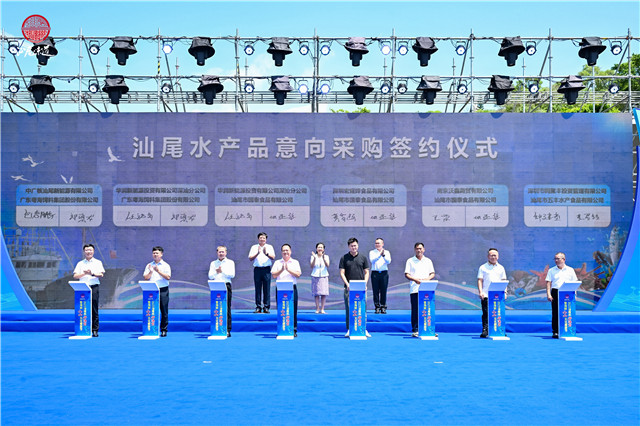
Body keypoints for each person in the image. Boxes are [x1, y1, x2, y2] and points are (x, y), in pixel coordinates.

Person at [339, 237, 371, 338]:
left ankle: (363, 329)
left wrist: (365, 283)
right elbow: (342, 273)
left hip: (361, 288)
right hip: (349, 288)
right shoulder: (344, 258)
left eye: (355, 245)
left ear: (358, 246)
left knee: (362, 308)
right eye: (352, 246)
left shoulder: (363, 257)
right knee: (349, 309)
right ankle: (350, 329)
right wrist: (347, 284)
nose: (354, 247)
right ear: (349, 247)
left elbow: (366, 272)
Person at [72, 244, 105, 337]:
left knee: (94, 308)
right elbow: (75, 276)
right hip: (82, 288)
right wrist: (84, 274)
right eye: (86, 250)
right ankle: (82, 328)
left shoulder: (98, 262)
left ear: (93, 251)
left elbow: (101, 274)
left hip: (93, 286)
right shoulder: (80, 263)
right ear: (84, 252)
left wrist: (92, 273)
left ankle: (95, 329)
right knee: (82, 308)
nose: (88, 252)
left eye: (90, 250)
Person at [404, 242, 435, 338]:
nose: (419, 250)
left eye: (420, 248)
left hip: (426, 289)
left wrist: (427, 280)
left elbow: (432, 273)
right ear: (415, 250)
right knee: (416, 310)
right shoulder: (410, 261)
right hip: (415, 288)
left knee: (427, 309)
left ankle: (427, 329)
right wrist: (415, 280)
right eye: (417, 248)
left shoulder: (428, 261)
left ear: (424, 250)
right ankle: (415, 329)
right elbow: (407, 274)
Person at [545, 252, 578, 339]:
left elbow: (575, 282)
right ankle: (555, 331)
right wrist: (548, 294)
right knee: (555, 312)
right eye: (555, 259)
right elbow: (548, 283)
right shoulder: (551, 270)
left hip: (568, 292)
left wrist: (575, 293)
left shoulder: (570, 270)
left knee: (568, 311)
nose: (556, 260)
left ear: (563, 259)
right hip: (556, 292)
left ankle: (568, 330)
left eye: (558, 259)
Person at [271, 244, 302, 337]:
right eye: (283, 250)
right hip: (280, 289)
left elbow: (298, 274)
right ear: (281, 252)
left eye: (287, 250)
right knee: (281, 309)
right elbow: (274, 275)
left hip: (292, 288)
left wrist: (288, 269)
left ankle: (293, 329)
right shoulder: (277, 262)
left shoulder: (295, 262)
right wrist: (281, 269)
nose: (285, 252)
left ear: (290, 251)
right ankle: (281, 329)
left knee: (293, 309)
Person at [477, 248, 508, 338]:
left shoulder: (501, 268)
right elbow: (480, 280)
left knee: (498, 313)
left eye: (495, 255)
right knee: (486, 313)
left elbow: (504, 281)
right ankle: (485, 330)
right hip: (486, 294)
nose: (493, 257)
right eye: (491, 255)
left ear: (498, 257)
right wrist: (480, 292)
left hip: (498, 295)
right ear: (488, 256)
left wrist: (505, 292)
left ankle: (499, 330)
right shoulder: (483, 267)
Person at [143, 246, 171, 337]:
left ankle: (164, 329)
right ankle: (151, 328)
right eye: (154, 253)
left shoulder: (165, 265)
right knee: (151, 310)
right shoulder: (149, 265)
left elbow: (168, 277)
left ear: (161, 254)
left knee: (164, 310)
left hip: (163, 290)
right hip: (151, 290)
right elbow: (146, 277)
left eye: (157, 253)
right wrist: (151, 272)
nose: (155, 255)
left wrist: (158, 271)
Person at [208, 245, 235, 337]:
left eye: (223, 252)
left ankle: (227, 329)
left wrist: (222, 271)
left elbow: (232, 275)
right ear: (217, 253)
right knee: (216, 307)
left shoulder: (230, 262)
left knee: (226, 308)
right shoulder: (213, 263)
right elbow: (210, 276)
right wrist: (216, 272)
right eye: (219, 252)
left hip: (226, 285)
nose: (221, 253)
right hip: (216, 286)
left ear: (226, 253)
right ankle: (216, 328)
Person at [248, 232, 275, 313]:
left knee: (267, 288)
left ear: (266, 239)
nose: (262, 239)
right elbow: (250, 258)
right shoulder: (254, 247)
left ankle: (266, 307)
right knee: (258, 288)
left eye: (264, 238)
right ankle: (258, 307)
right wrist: (257, 253)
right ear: (258, 239)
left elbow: (273, 257)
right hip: (257, 269)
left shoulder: (269, 247)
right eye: (260, 238)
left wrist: (266, 253)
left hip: (266, 270)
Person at [369, 238, 391, 314]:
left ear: (382, 244)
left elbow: (388, 261)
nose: (377, 245)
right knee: (375, 291)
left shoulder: (387, 252)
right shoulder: (372, 252)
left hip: (384, 273)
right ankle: (377, 307)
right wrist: (379, 255)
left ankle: (383, 306)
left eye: (379, 243)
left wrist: (383, 255)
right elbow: (372, 261)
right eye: (376, 243)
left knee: (383, 290)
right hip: (375, 273)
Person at [310, 242, 330, 314]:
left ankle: (322, 309)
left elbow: (327, 265)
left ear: (323, 249)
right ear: (316, 249)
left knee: (323, 293)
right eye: (318, 247)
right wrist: (315, 258)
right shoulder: (313, 256)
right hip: (315, 276)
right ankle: (317, 308)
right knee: (316, 293)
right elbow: (312, 266)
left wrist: (323, 258)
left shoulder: (326, 256)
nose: (320, 249)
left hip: (324, 276)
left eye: (321, 247)